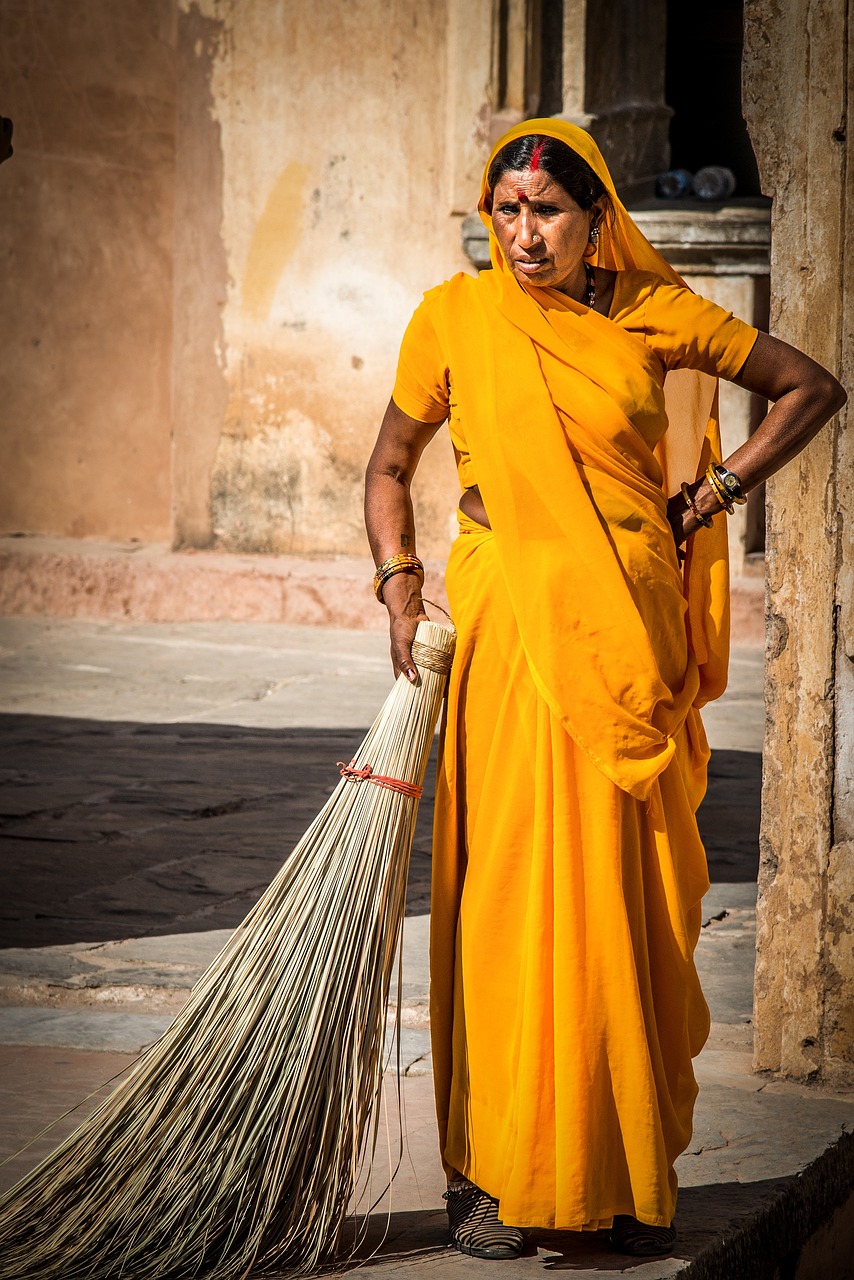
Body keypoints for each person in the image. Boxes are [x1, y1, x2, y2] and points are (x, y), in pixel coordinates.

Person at [364, 119, 845, 1260]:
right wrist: (397, 585)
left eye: (546, 212)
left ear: (596, 221)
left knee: (616, 905)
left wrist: (710, 491)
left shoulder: (654, 314)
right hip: (502, 629)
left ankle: (615, 1171)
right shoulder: (453, 318)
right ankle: (485, 1171)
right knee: (499, 896)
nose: (521, 236)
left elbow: (807, 386)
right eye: (506, 210)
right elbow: (389, 462)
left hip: (622, 632)